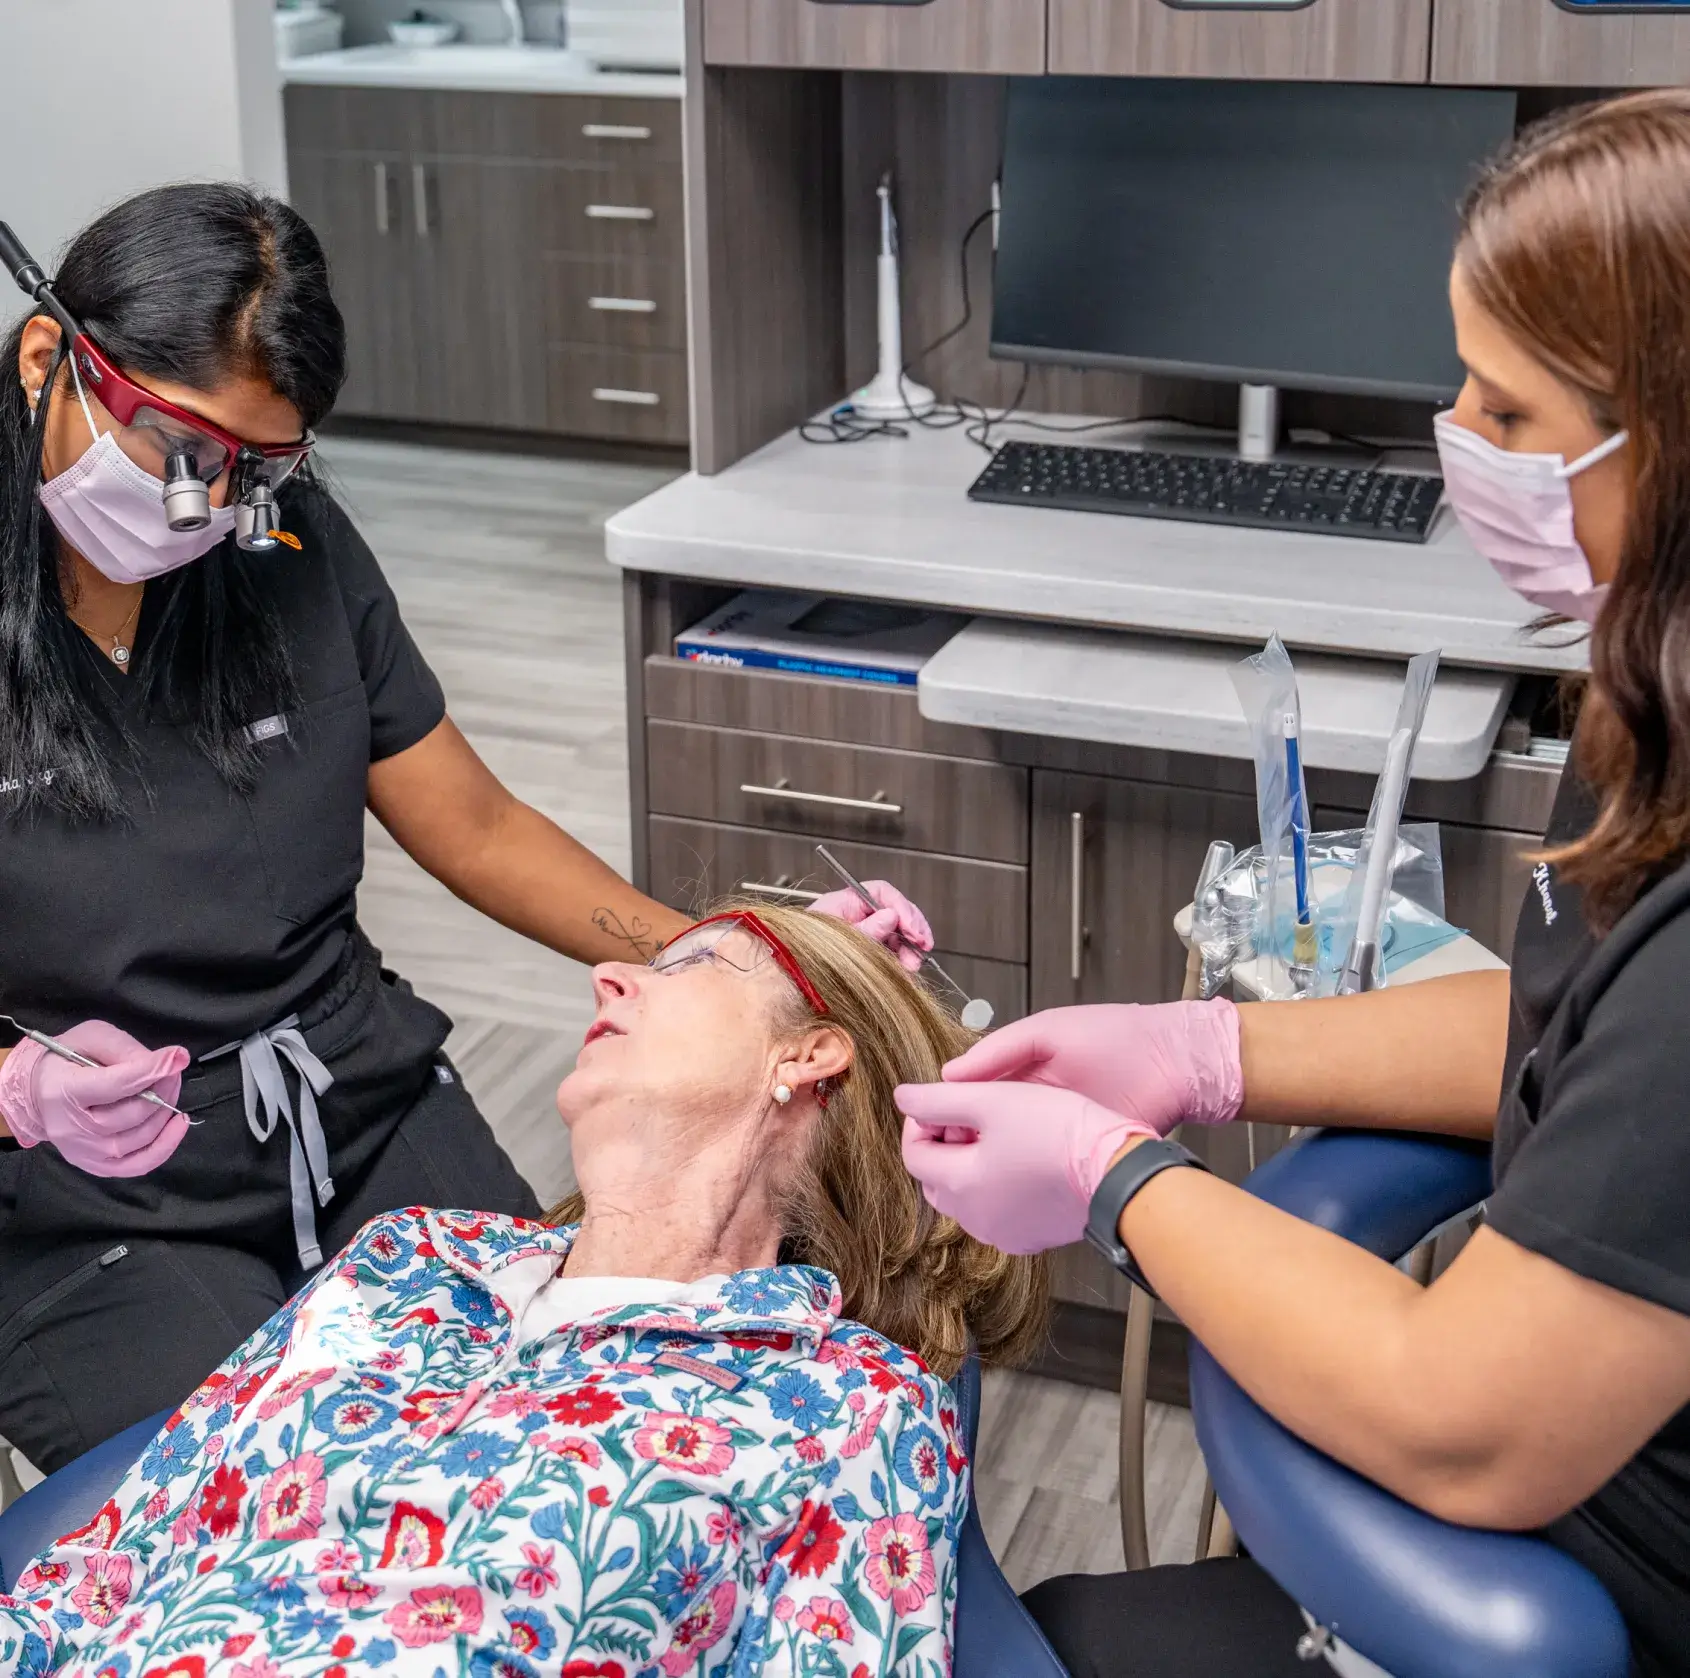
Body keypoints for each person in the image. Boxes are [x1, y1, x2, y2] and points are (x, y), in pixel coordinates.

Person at [896, 91, 1690, 1678]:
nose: (1453, 438)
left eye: (1511, 412)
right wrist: (1204, 1057)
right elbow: (1570, 1043)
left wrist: (1118, 1185)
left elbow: (1467, 1429)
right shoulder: (1656, 692)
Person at [0, 184, 929, 1477]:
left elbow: (478, 824)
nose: (209, 509)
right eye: (189, 450)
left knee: (548, 1432)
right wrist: (14, 1091)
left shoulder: (275, 542)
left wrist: (725, 948)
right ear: (53, 361)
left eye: (262, 466)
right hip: (83, 1191)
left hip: (350, 1094)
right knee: (277, 1495)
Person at [0, 900, 1039, 1678]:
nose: (606, 975)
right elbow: (115, 1561)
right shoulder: (412, 1259)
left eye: (685, 964)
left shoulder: (848, 1402)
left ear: (807, 1055)